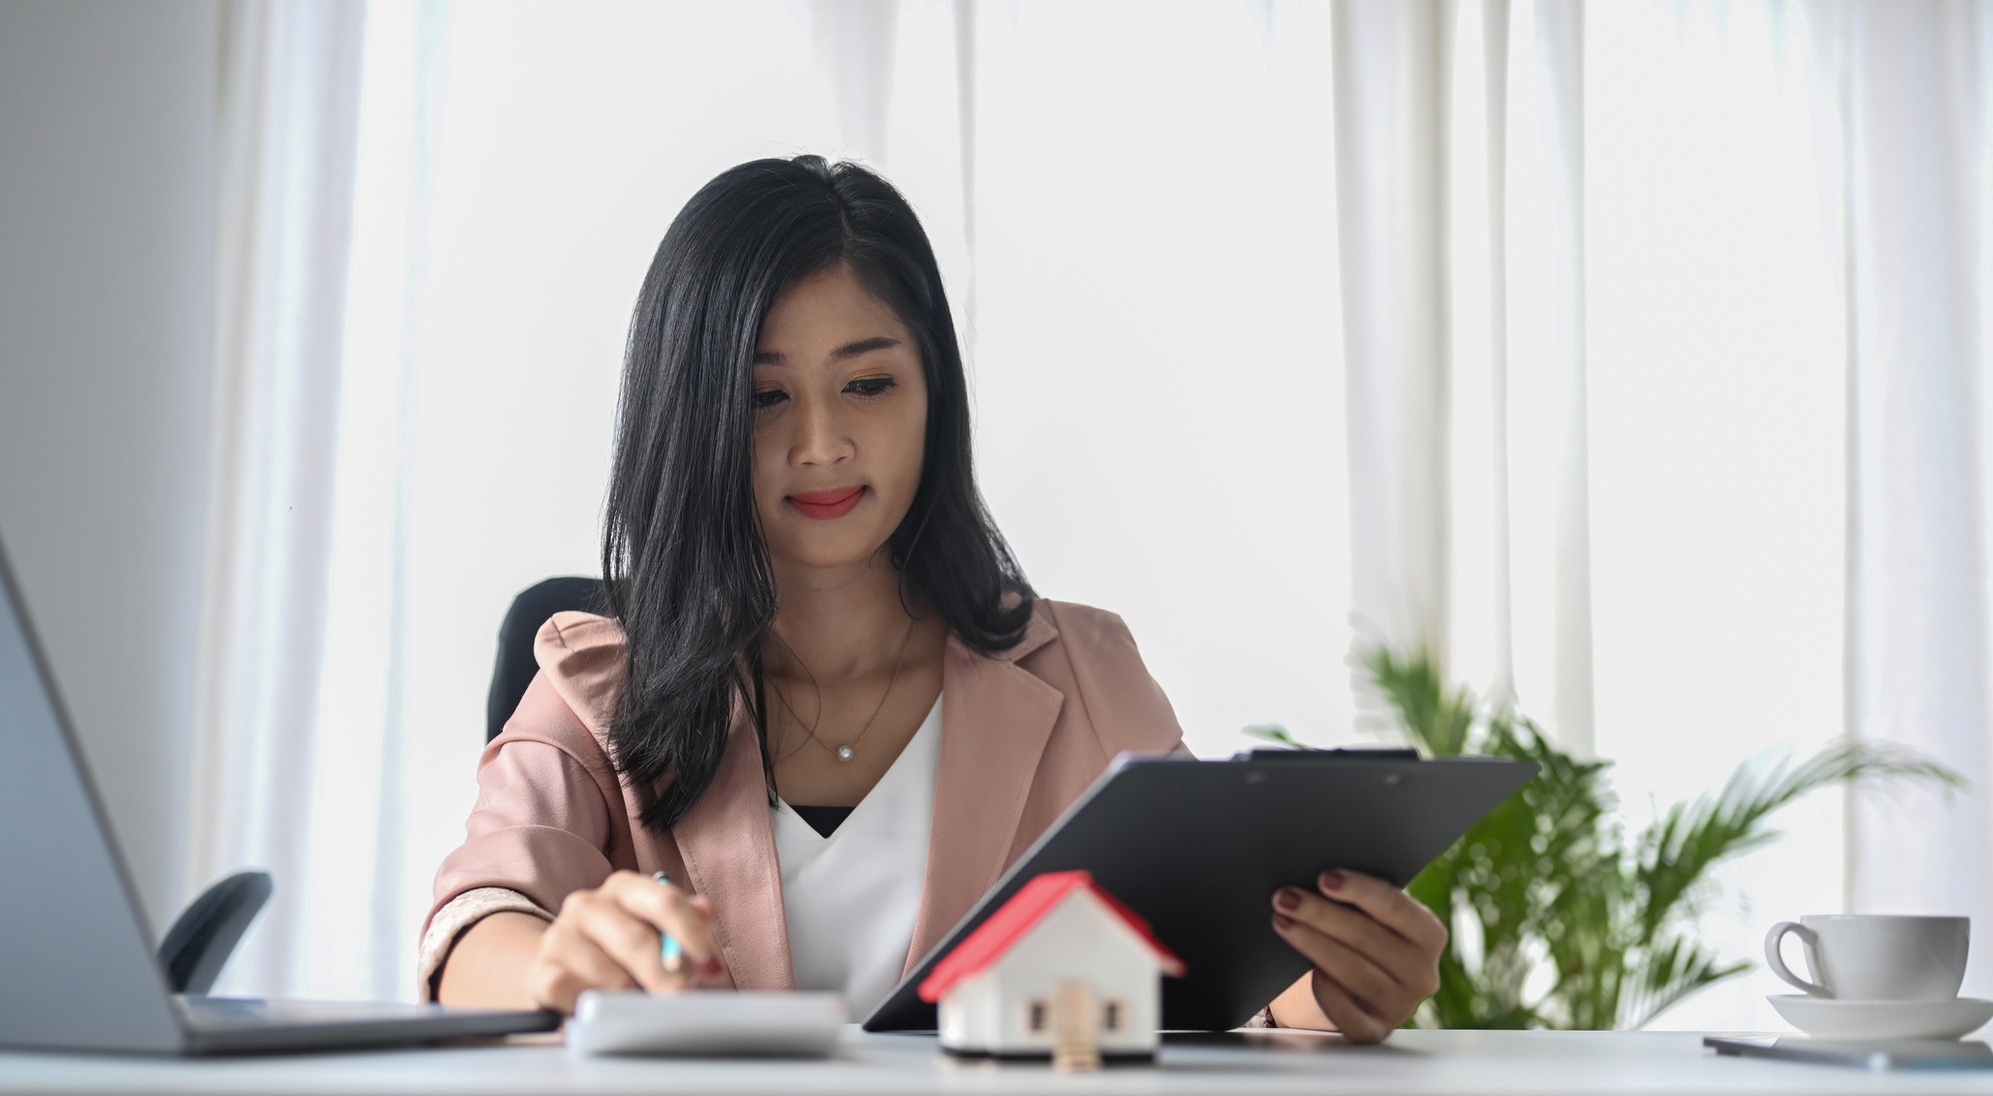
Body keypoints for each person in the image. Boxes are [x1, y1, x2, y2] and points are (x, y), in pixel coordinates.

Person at [419, 155, 1445, 1044]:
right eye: (762, 396)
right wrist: (553, 958)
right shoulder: (601, 680)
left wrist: (1330, 986)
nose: (819, 443)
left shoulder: (1082, 676)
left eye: (867, 384)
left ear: (933, 396)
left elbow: (1202, 984)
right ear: (691, 415)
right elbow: (473, 920)